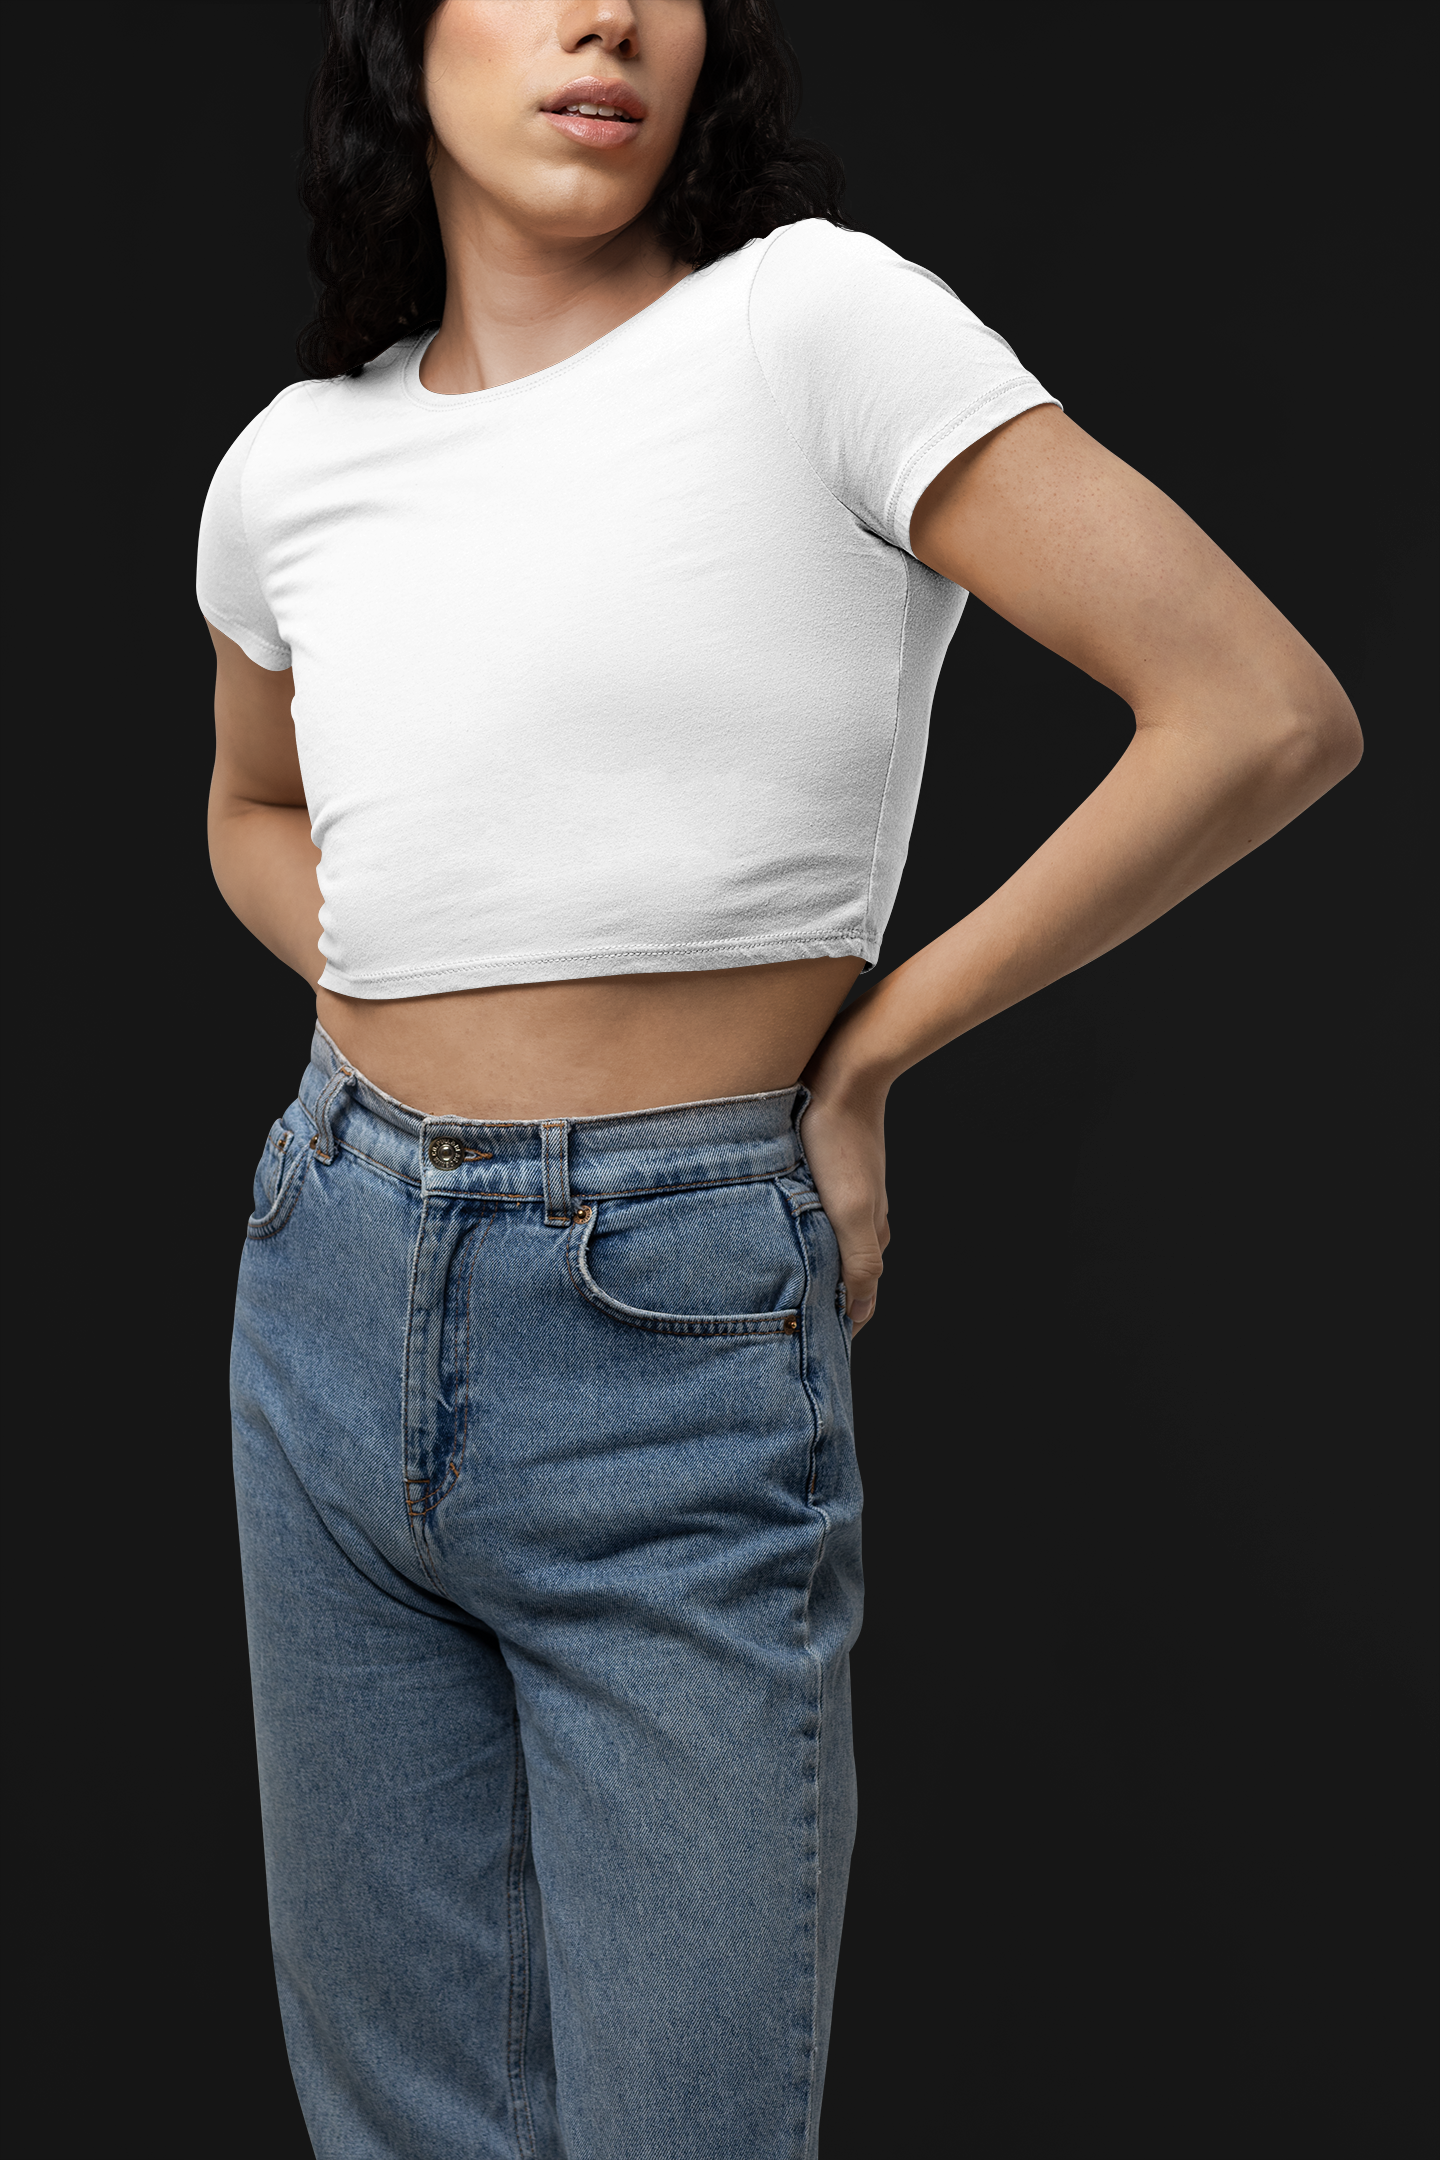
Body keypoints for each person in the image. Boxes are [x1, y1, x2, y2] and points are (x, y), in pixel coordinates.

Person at [197, 1, 1362, 2153]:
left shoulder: (814, 325)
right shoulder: (294, 461)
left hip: (670, 1311)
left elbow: (1258, 708)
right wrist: (424, 963)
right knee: (402, 2129)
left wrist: (874, 1047)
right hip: (325, 1283)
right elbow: (247, 813)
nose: (607, 14)